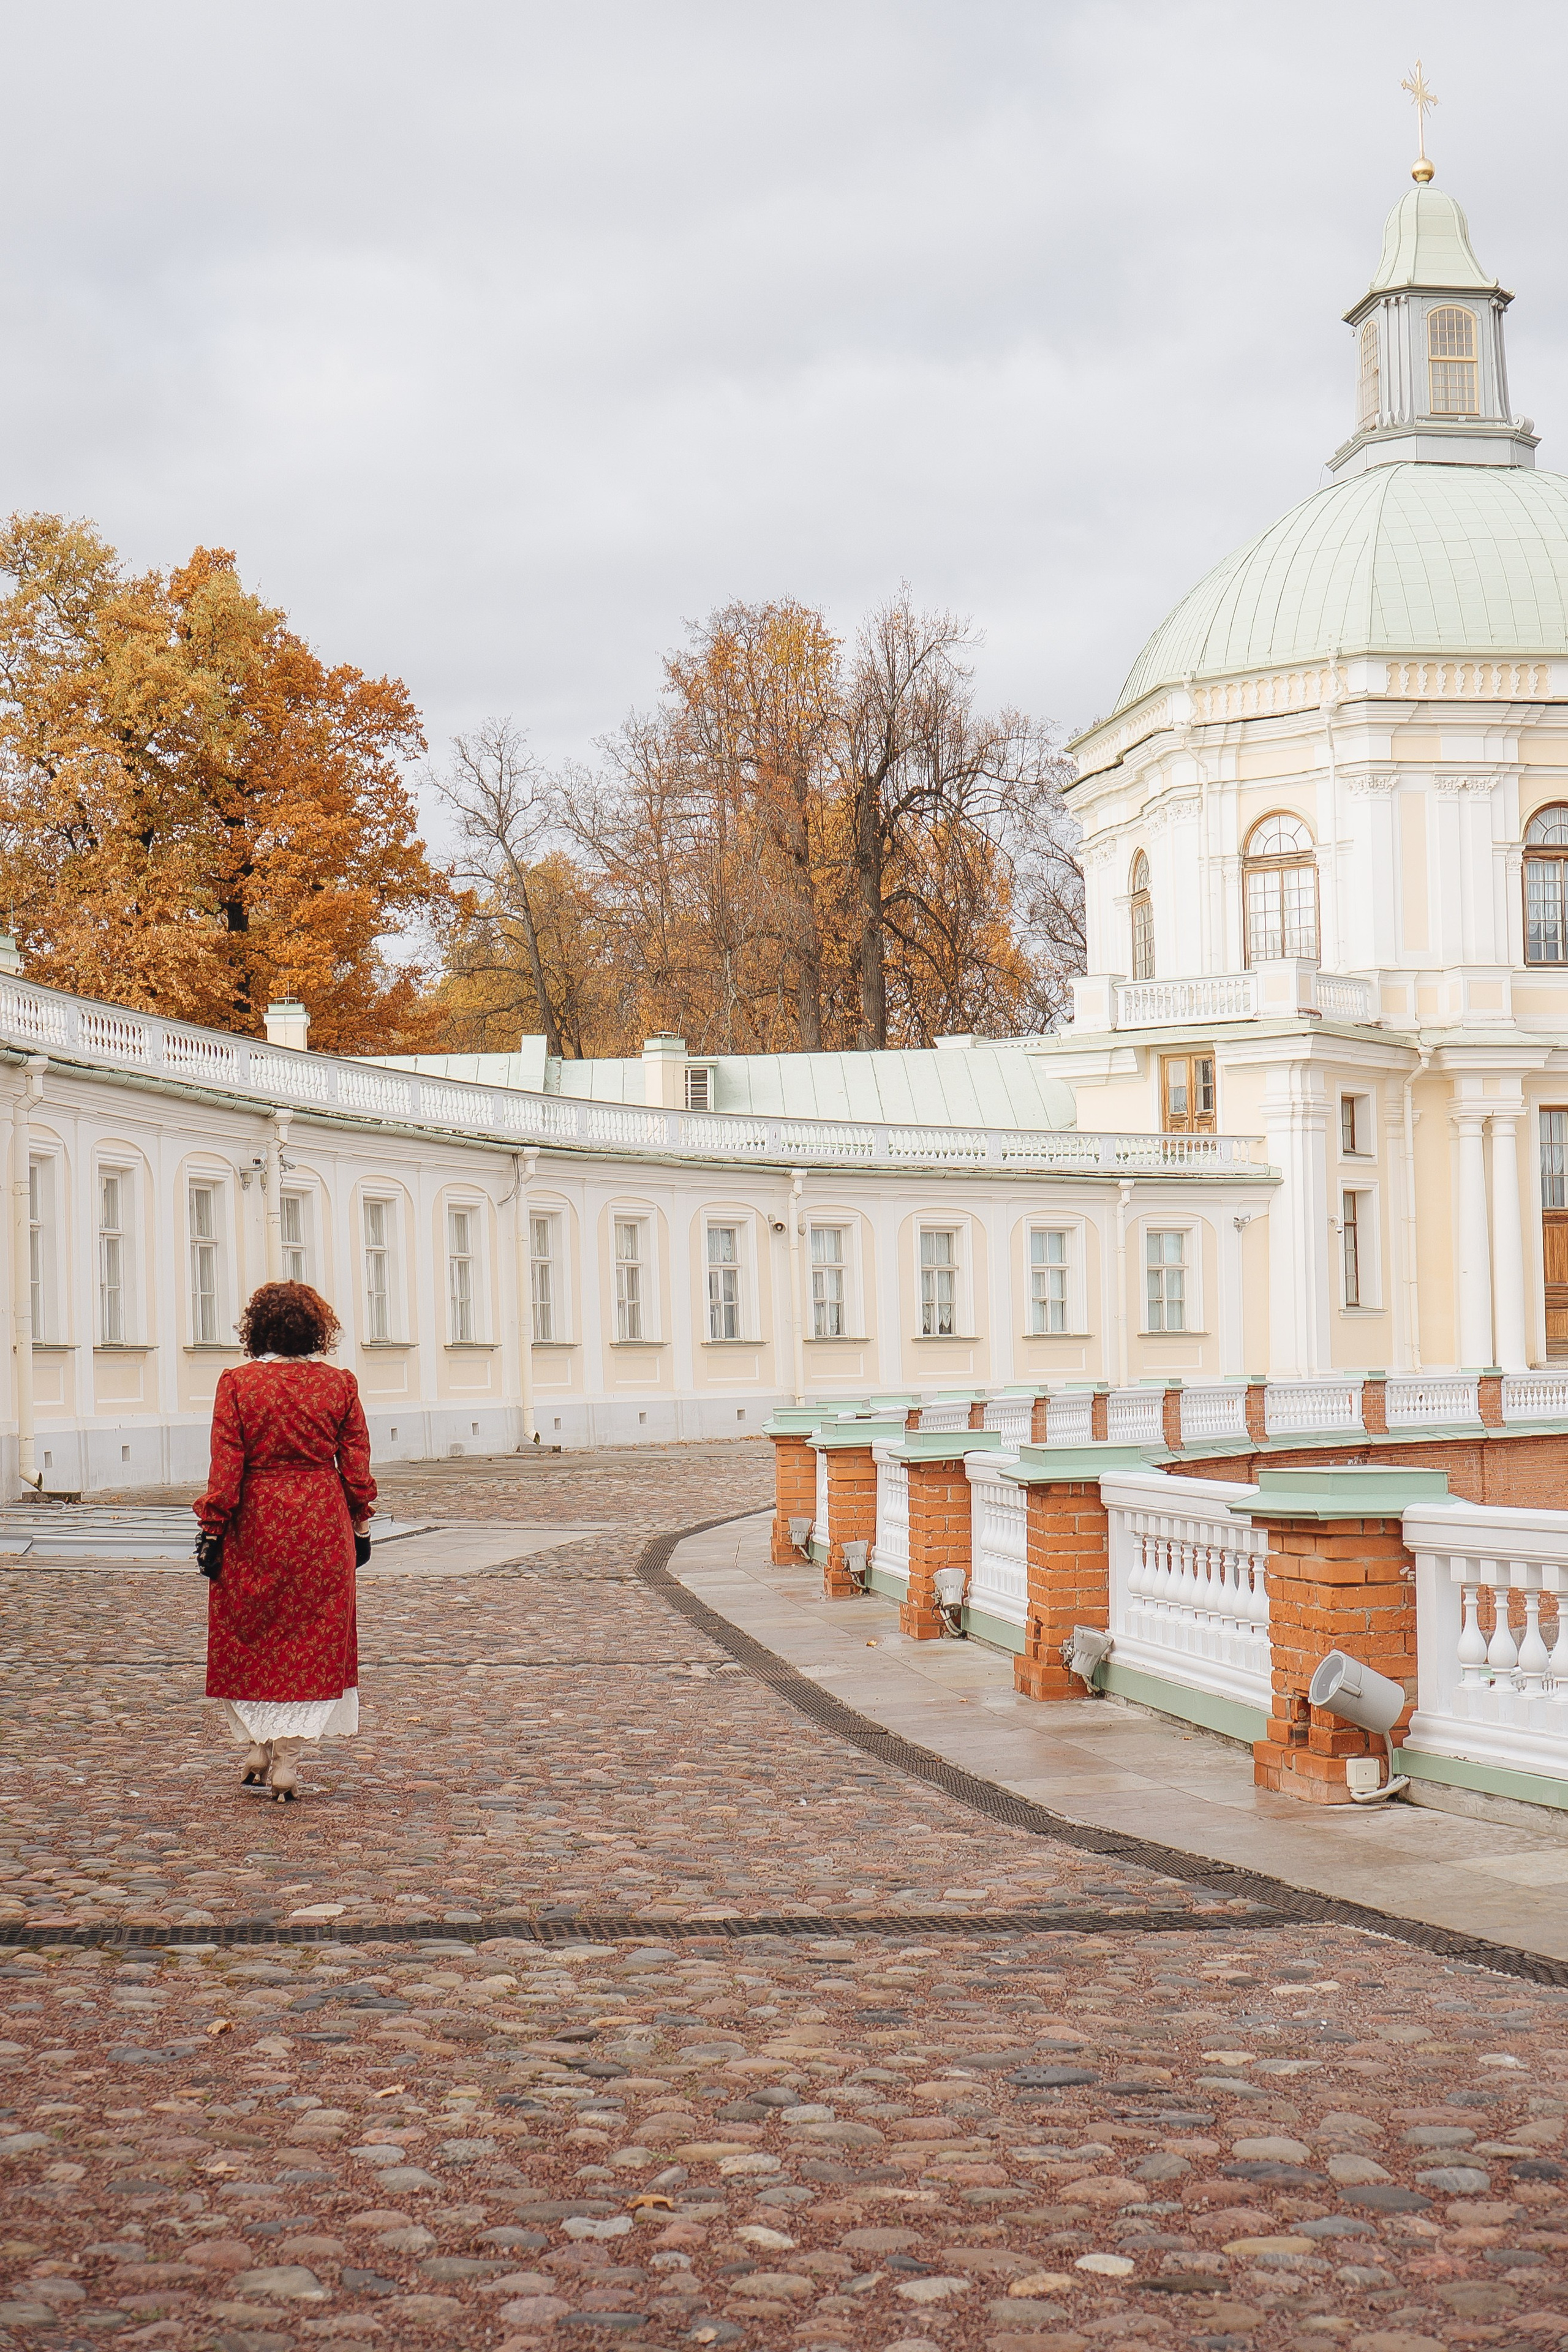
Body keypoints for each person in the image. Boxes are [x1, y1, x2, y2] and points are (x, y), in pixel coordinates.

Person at [195, 1280, 376, 1801]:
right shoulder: (338, 1385)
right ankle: (286, 1763)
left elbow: (226, 1467)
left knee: (250, 1630)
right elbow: (356, 1465)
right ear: (318, 1329)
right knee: (313, 1637)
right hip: (321, 1520)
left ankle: (258, 1743)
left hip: (257, 1519)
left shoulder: (238, 1383)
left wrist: (213, 1528)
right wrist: (360, 1522)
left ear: (257, 1330)